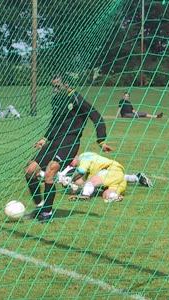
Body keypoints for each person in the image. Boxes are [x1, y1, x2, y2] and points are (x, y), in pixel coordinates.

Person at [25, 75, 113, 222]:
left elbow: (96, 116)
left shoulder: (77, 99)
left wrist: (101, 140)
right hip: (55, 141)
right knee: (30, 171)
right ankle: (40, 205)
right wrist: (45, 138)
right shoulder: (57, 100)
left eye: (57, 86)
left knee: (50, 171)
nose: (54, 89)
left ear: (66, 85)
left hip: (70, 141)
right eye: (53, 86)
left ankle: (46, 213)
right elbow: (55, 120)